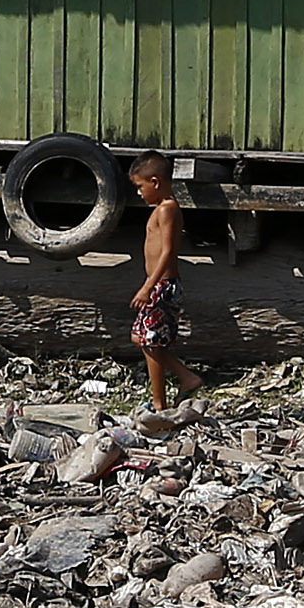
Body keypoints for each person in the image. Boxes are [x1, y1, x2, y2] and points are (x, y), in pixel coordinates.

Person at [126, 150, 202, 416]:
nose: (139, 193)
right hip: (159, 285)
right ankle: (186, 377)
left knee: (150, 341)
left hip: (162, 286)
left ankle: (159, 403)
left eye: (140, 187)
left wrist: (149, 286)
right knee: (142, 338)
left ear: (155, 182)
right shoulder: (161, 208)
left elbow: (169, 251)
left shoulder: (168, 209)